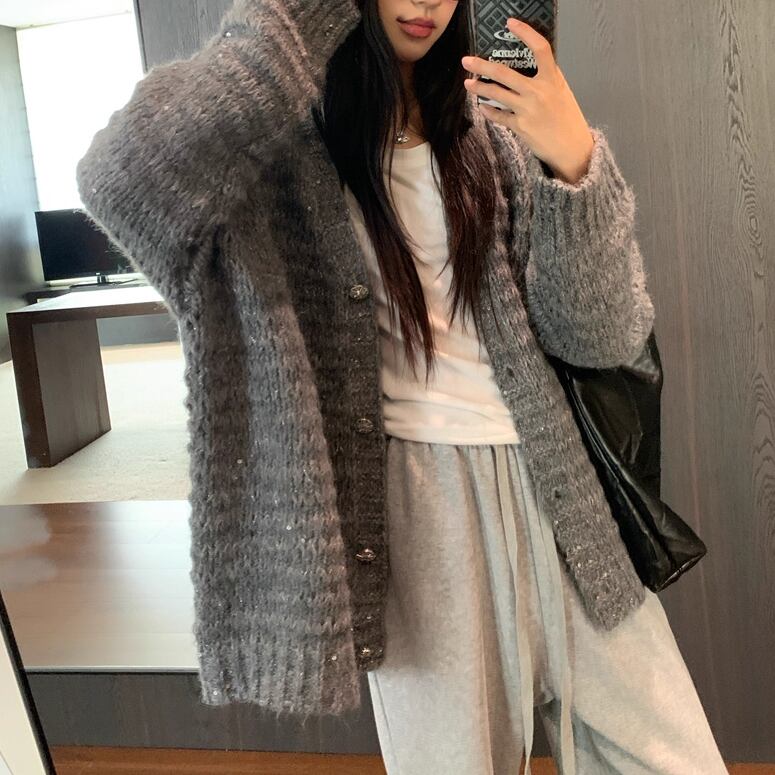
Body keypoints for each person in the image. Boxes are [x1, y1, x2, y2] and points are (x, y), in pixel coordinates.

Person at [75, 0, 728, 772]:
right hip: (416, 523)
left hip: (561, 499)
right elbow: (119, 179)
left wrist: (574, 162)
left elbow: (599, 338)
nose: (426, 2)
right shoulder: (272, 154)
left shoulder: (490, 128)